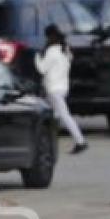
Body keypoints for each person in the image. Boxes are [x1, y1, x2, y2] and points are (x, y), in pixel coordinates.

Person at [35, 24, 87, 154]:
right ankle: (50, 143)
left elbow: (42, 69)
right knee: (54, 115)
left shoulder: (52, 51)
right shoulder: (66, 50)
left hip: (53, 88)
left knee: (63, 115)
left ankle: (80, 141)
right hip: (63, 87)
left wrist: (36, 57)